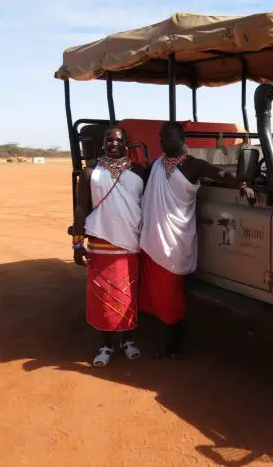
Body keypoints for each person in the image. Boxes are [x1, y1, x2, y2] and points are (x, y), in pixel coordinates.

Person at [138, 121, 254, 359]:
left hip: (175, 239)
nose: (161, 140)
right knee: (158, 292)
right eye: (160, 136)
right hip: (153, 237)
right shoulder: (157, 165)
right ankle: (172, 339)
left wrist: (241, 184)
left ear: (181, 139)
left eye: (166, 136)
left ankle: (172, 341)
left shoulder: (193, 165)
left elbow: (219, 173)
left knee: (169, 292)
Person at [72, 126, 148, 368]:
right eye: (109, 140)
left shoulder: (139, 172)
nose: (113, 143)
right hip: (100, 243)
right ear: (102, 143)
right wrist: (76, 243)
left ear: (126, 143)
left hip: (130, 244)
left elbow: (148, 207)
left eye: (118, 139)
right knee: (103, 297)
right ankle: (106, 345)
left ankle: (128, 341)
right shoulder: (89, 172)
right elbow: (81, 209)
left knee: (128, 295)